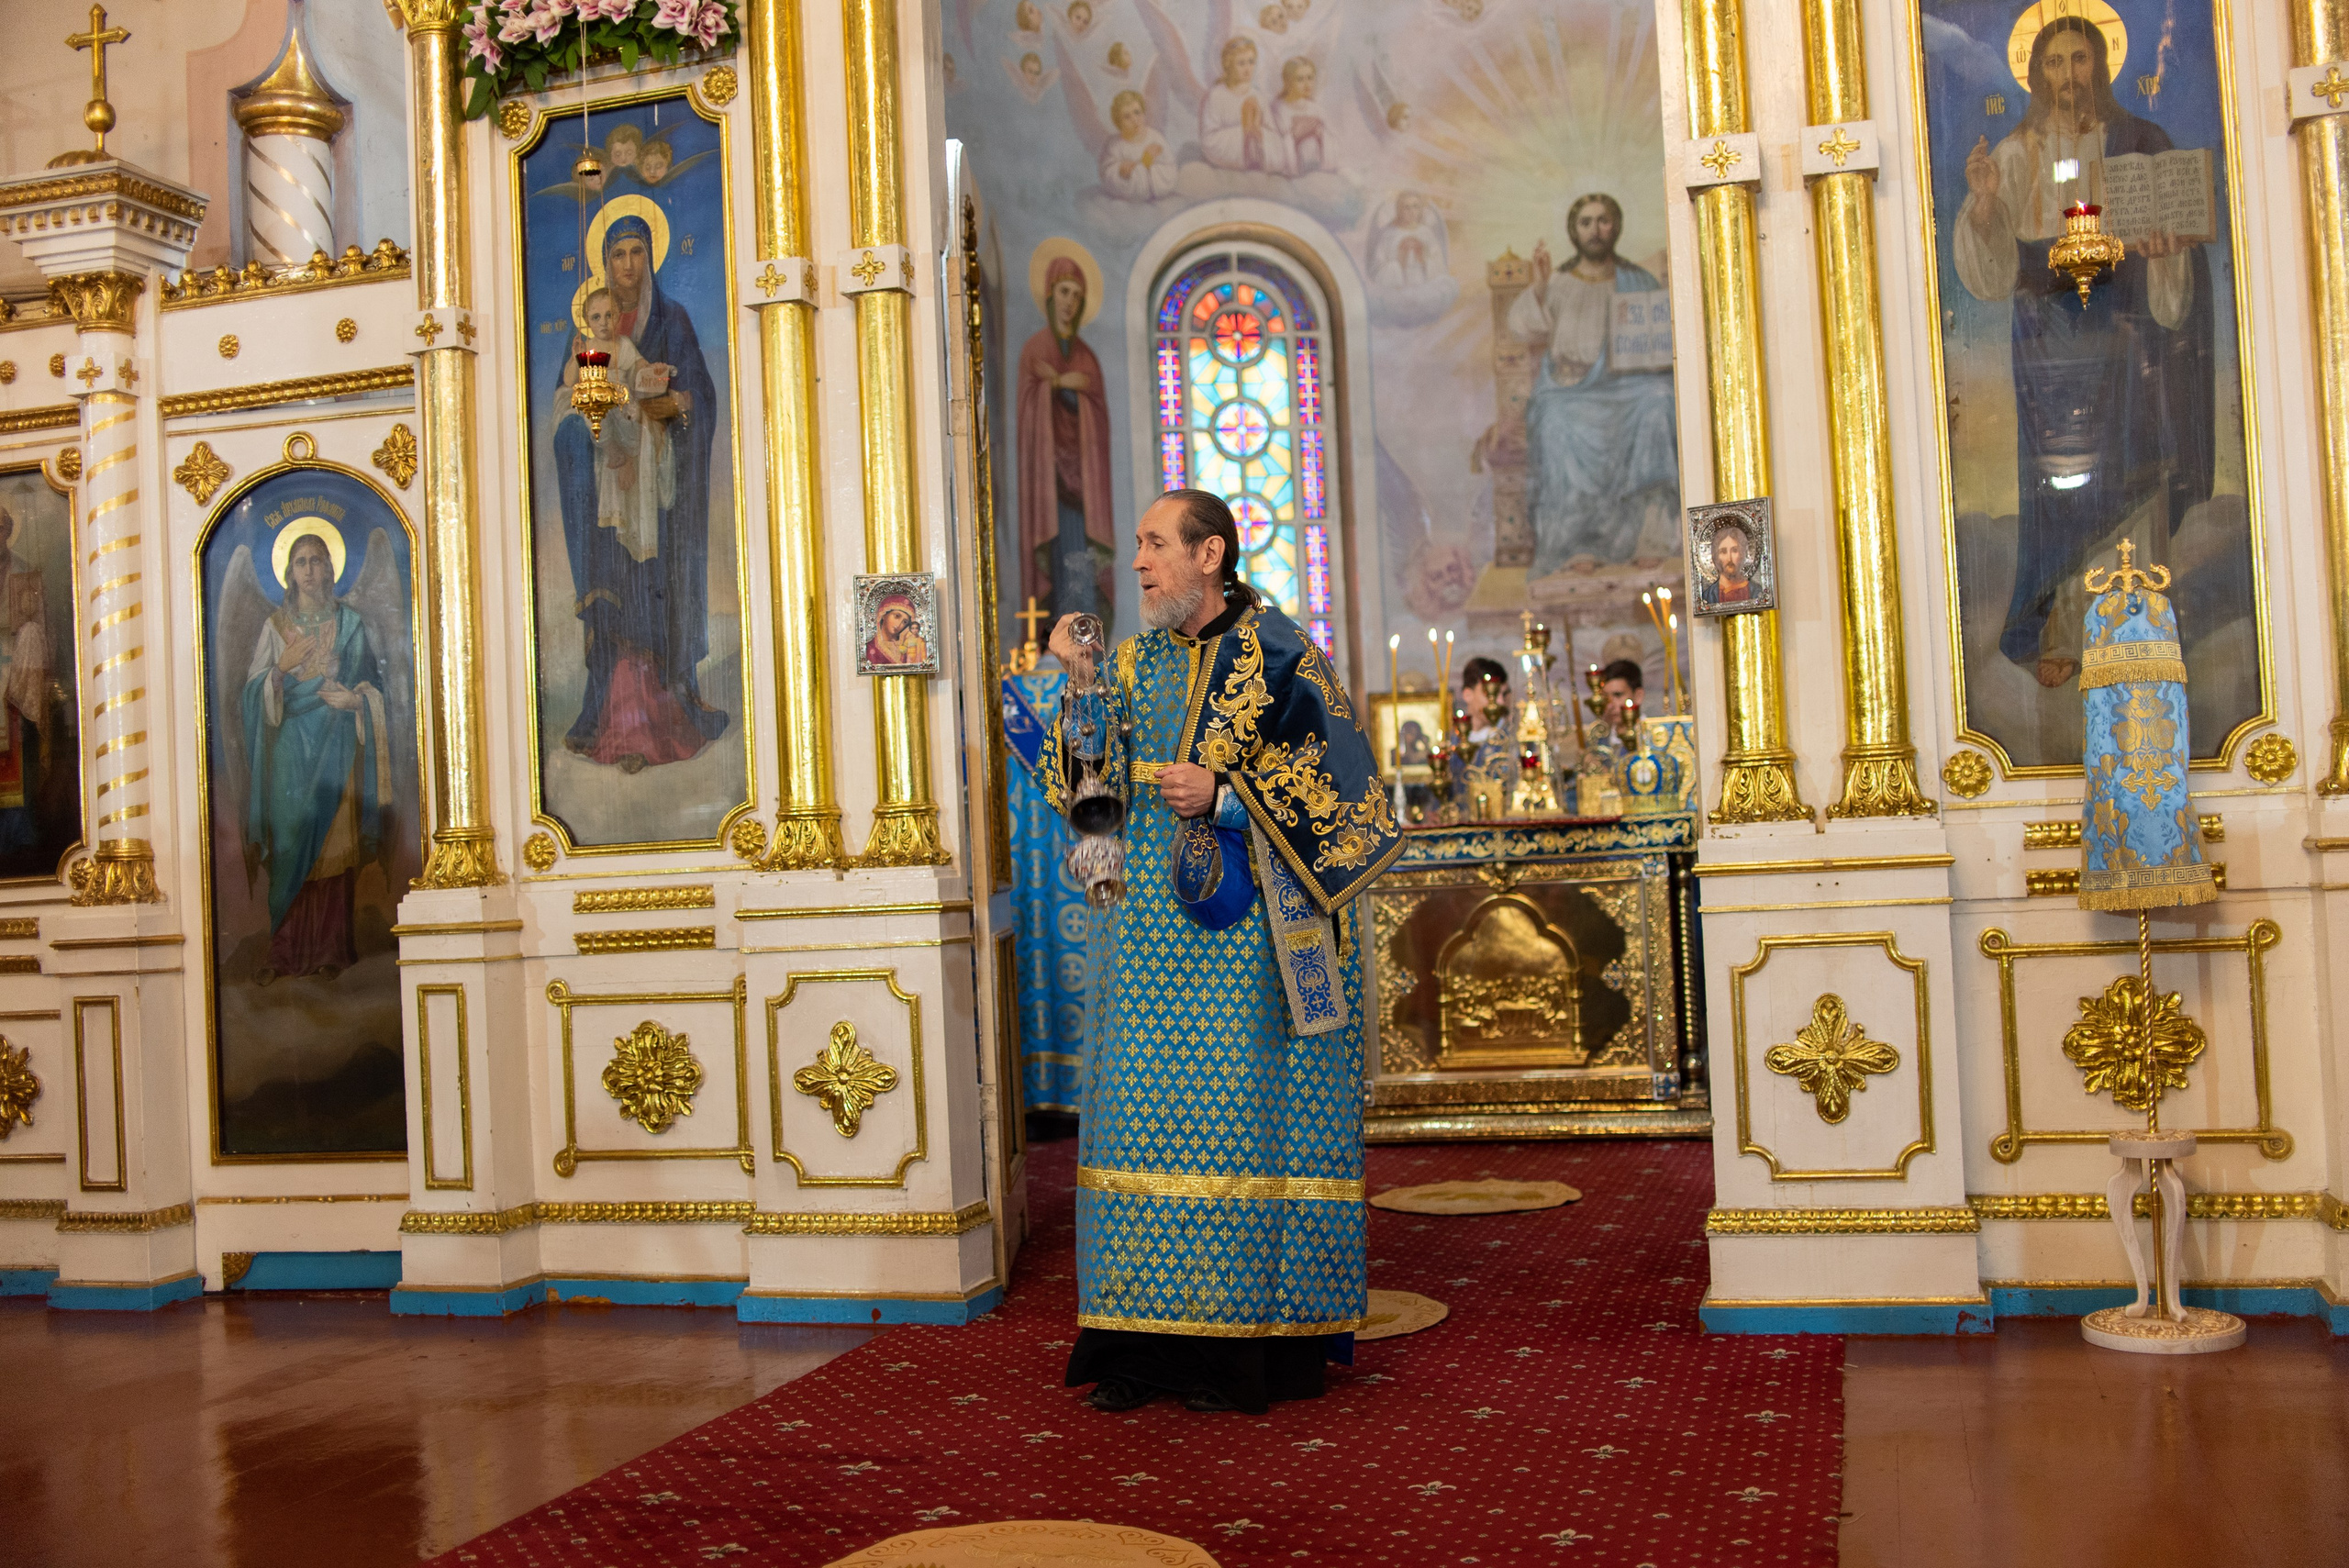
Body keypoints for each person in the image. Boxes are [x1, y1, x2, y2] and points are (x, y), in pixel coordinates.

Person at [1031, 488, 1401, 1415]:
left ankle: (1244, 1353)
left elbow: (1349, 801)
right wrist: (1075, 688)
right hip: (1144, 949)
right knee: (1135, 1124)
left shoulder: (1282, 656)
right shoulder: (1125, 660)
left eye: (1157, 543)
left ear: (1212, 553)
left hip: (1251, 953)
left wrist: (1230, 792)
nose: (1140, 560)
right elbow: (1088, 794)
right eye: (1142, 545)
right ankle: (1137, 1354)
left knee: (1244, 1125)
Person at [1954, 16, 2213, 688]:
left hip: (2127, 338)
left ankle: (2139, 619)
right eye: (2056, 62)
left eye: (2080, 59)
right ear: (2037, 73)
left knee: (2133, 461)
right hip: (2048, 347)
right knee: (2055, 487)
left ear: (2100, 65)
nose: (2069, 75)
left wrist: (2165, 256)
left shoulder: (2140, 142)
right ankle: (2061, 627)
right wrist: (1984, 211)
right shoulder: (2014, 156)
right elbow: (1991, 272)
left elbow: (2175, 244)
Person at [551, 212, 729, 773]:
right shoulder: (587, 337)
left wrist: (673, 404)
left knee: (655, 588)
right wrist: (600, 437)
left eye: (636, 252)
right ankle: (604, 712)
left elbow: (697, 392)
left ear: (650, 257)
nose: (628, 265)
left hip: (658, 491)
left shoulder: (670, 318)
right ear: (604, 264)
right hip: (606, 493)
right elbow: (570, 401)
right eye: (617, 255)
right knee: (610, 593)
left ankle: (668, 705)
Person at [241, 532, 392, 986]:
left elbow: (371, 684)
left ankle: (331, 949)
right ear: (289, 573)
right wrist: (281, 668)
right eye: (300, 562)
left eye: (317, 561)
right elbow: (251, 694)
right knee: (290, 845)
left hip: (336, 741)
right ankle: (284, 951)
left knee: (333, 848)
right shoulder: (274, 626)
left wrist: (357, 701)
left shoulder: (351, 625)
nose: (309, 570)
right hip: (289, 750)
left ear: (331, 569)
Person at [1508, 193, 1679, 577]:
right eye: (1586, 222)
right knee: (1554, 419)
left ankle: (1650, 537)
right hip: (1572, 391)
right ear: (1574, 231)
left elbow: (1661, 337)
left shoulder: (1639, 280)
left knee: (1660, 399)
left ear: (1615, 226)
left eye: (1603, 220)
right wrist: (1538, 285)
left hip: (1630, 389)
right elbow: (1522, 325)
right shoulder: (1559, 283)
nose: (1596, 230)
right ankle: (1577, 542)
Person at [1017, 255, 1118, 618]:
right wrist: (1055, 387)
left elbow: (1098, 419)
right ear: (1049, 295)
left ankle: (1087, 635)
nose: (1069, 301)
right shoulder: (1035, 350)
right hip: (1049, 478)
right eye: (1063, 291)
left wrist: (1069, 389)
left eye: (1077, 294)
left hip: (1083, 483)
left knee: (1081, 558)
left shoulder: (1086, 357)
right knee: (1059, 557)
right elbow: (1028, 410)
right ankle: (1054, 634)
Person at [559, 287, 676, 567]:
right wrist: (576, 359)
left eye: (609, 315)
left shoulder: (622, 345)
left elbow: (639, 369)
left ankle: (623, 451)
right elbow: (569, 382)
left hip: (621, 403)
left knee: (635, 420)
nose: (603, 322)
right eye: (596, 316)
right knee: (591, 406)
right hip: (596, 402)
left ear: (619, 316)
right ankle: (612, 451)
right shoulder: (585, 347)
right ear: (587, 320)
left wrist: (653, 370)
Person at [0, 504, 59, 863]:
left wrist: (29, 634)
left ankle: (17, 827)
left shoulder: (22, 570)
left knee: (16, 748)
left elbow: (38, 619)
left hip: (14, 670)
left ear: (6, 532)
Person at [1200, 36, 1280, 172]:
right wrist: (1245, 131)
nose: (1248, 68)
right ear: (1228, 65)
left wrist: (1256, 131)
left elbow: (1272, 133)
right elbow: (1209, 137)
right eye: (1241, 63)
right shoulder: (1217, 95)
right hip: (1226, 149)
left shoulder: (1258, 96)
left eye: (1251, 62)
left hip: (1258, 145)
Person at [1098, 89, 1176, 201]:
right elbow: (1106, 173)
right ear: (1118, 122)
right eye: (1127, 116)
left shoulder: (1155, 138)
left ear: (1143, 112)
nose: (1135, 120)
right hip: (1126, 203)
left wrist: (1150, 166)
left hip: (1158, 200)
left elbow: (1170, 169)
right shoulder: (1114, 145)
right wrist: (1121, 172)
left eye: (1137, 112)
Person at [1271, 57, 1324, 173]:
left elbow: (1327, 140)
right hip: (1289, 166)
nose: (1307, 84)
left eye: (1310, 78)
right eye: (1300, 79)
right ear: (1288, 82)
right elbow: (1276, 143)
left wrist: (1321, 134)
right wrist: (1295, 135)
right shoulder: (1279, 108)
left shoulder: (1315, 108)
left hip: (1314, 166)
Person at [863, 593, 930, 667]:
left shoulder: (908, 645)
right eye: (897, 616)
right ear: (883, 614)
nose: (898, 624)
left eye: (905, 622)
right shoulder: (869, 648)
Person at [1709, 517, 1755, 606]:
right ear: (1716, 556)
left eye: (1734, 550)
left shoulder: (1755, 591)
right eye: (1723, 551)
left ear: (1742, 553)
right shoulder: (1709, 596)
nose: (1729, 559)